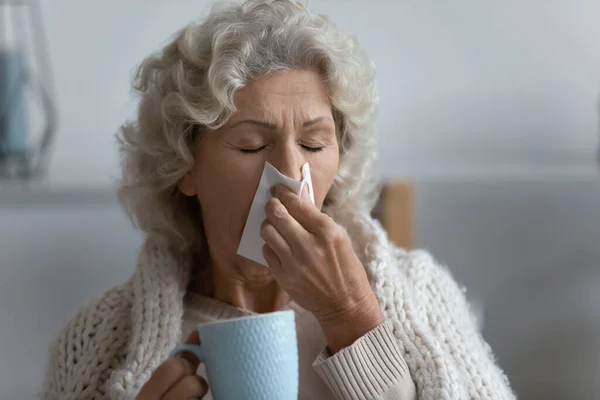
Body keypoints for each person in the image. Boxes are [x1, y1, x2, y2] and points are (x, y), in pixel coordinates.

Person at [43, 1, 515, 399]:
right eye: (251, 146)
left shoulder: (422, 294)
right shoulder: (102, 337)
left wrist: (350, 316)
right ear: (184, 166)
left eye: (314, 144)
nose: (291, 174)